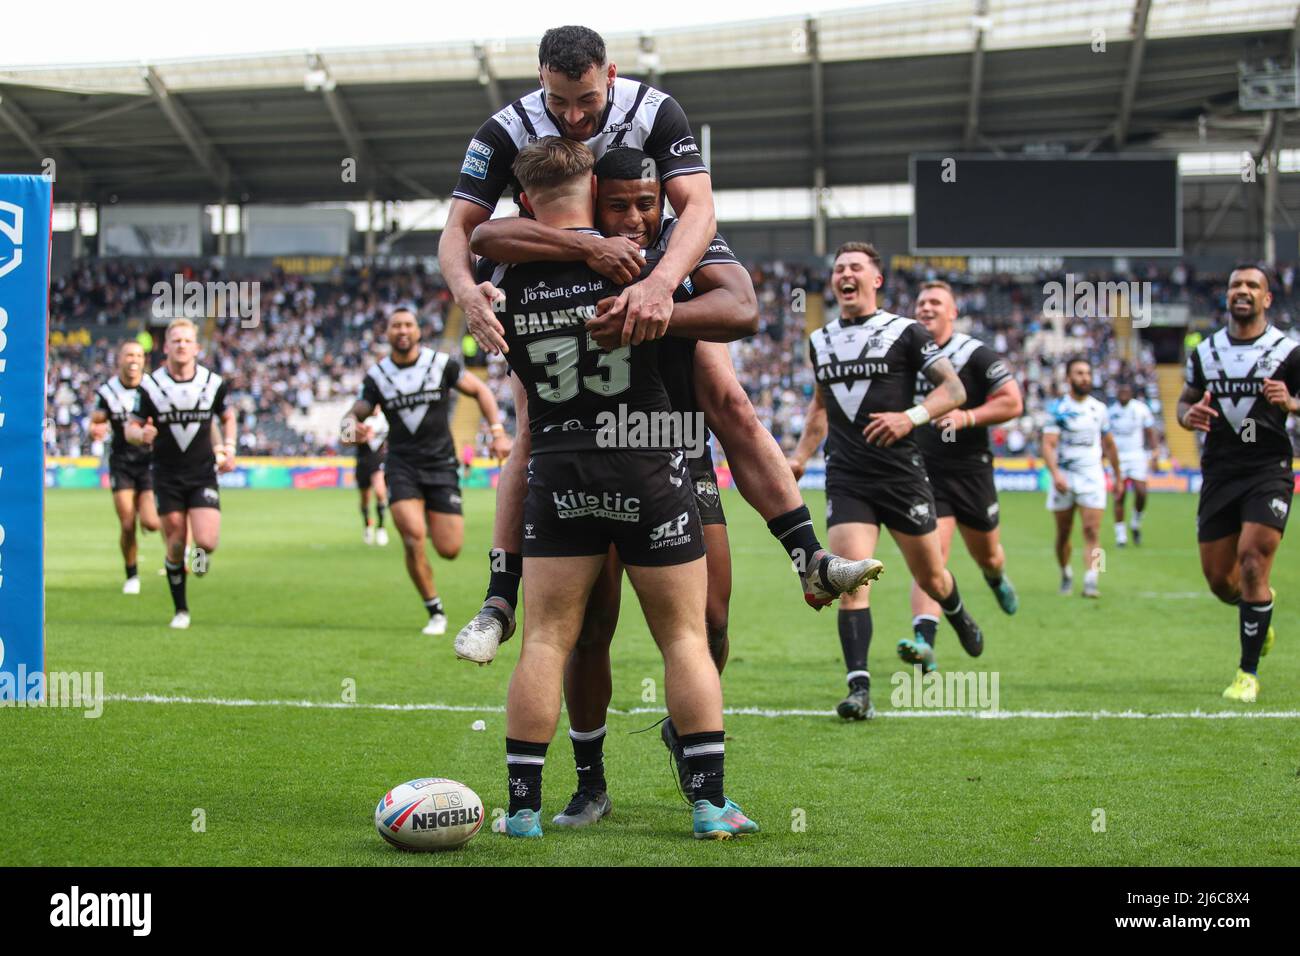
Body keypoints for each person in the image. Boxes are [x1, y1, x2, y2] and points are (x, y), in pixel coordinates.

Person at [465, 146, 860, 825]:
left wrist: (657, 305)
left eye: (648, 203)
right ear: (592, 198)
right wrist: (593, 257)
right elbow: (485, 235)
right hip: (629, 448)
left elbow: (739, 321)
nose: (636, 216)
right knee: (591, 630)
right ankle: (597, 782)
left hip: (664, 445)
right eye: (618, 204)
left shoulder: (680, 240)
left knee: (703, 625)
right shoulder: (574, 249)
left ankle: (804, 556)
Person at [489, 137, 757, 840]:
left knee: (546, 639)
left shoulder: (504, 274)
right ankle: (708, 804)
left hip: (558, 466)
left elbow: (481, 234)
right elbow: (738, 309)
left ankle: (521, 810)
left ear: (526, 201)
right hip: (646, 459)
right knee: (684, 637)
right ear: (594, 187)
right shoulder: (637, 261)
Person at [439, 25, 715, 359]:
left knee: (725, 396)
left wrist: (661, 284)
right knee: (530, 409)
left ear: (610, 75)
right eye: (557, 100)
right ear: (541, 79)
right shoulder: (504, 131)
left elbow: (699, 207)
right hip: (547, 275)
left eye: (587, 99)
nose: (573, 116)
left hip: (644, 264)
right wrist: (466, 294)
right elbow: (460, 226)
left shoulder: (653, 111)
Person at [790, 244, 981, 721]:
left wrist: (909, 417)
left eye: (856, 267)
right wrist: (798, 460)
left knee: (931, 577)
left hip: (901, 475)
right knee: (851, 580)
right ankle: (859, 690)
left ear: (876, 280)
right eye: (838, 269)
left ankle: (957, 613)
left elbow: (954, 390)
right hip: (848, 477)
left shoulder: (907, 331)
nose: (845, 275)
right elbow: (819, 410)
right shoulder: (821, 340)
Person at [343, 310, 511, 636]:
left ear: (419, 331)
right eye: (396, 326)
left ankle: (433, 521)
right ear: (388, 333)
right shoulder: (378, 376)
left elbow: (481, 391)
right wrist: (350, 427)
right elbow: (355, 413)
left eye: (408, 325)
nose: (402, 331)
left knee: (449, 549)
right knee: (412, 536)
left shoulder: (440, 364)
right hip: (401, 466)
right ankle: (434, 610)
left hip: (442, 465)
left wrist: (497, 431)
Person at [1178, 263, 1300, 702]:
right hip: (1220, 474)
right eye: (1235, 285)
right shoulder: (1205, 352)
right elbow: (1184, 402)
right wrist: (1185, 416)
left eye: (1252, 285)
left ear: (1268, 298)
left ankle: (1246, 674)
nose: (1242, 291)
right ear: (1227, 296)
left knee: (1252, 560)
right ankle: (1259, 609)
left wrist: (1293, 402)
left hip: (1267, 471)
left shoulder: (1288, 351)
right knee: (1220, 581)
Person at [898, 281, 1024, 673]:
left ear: (952, 312)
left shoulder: (974, 354)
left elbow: (1013, 401)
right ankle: (925, 643)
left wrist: (968, 416)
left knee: (986, 552)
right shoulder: (905, 351)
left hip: (971, 471)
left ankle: (995, 576)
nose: (927, 308)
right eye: (921, 302)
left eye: (936, 302)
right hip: (923, 472)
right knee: (931, 557)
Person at [124, 318, 236, 630]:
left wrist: (229, 446)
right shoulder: (151, 385)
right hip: (166, 474)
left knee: (207, 541)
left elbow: (227, 416)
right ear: (166, 346)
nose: (182, 345)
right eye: (176, 341)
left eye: (187, 341)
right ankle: (181, 610)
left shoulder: (213, 383)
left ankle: (200, 554)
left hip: (202, 473)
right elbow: (130, 425)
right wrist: (138, 435)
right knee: (175, 542)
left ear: (197, 347)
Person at [1041, 357, 1122, 599]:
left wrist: (1118, 476)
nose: (1085, 377)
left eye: (1087, 373)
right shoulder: (1057, 409)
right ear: (1068, 378)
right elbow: (1048, 445)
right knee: (1063, 533)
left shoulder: (1099, 409)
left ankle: (1092, 579)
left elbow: (1109, 444)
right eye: (1079, 373)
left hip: (1092, 477)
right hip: (1064, 478)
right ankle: (1065, 574)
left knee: (1092, 532)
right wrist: (1055, 474)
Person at [89, 341, 161, 594]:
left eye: (138, 355)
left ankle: (178, 550)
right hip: (121, 463)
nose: (133, 359)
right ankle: (131, 575)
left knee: (152, 523)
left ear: (144, 360)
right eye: (129, 354)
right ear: (119, 359)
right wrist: (95, 430)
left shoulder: (155, 387)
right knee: (127, 522)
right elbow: (96, 423)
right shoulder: (107, 391)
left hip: (151, 462)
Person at [1108, 381, 1159, 547]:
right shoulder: (1110, 411)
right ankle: (1120, 535)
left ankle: (1135, 523)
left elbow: (1150, 431)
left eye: (1126, 391)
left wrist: (1155, 451)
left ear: (1131, 393)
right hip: (1117, 457)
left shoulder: (1141, 409)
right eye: (1120, 391)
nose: (1123, 394)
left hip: (1137, 455)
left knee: (1141, 492)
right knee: (1119, 495)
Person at [355, 410, 389, 547]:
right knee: (365, 499)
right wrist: (359, 437)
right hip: (362, 461)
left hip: (378, 461)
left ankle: (381, 528)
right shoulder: (354, 414)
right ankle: (367, 526)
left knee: (381, 492)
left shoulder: (386, 417)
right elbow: (344, 439)